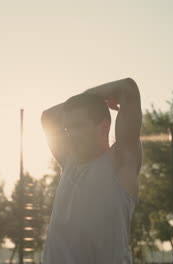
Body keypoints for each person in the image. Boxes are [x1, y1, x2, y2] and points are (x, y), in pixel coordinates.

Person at [41, 78, 143, 263]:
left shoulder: (121, 162)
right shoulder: (69, 161)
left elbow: (128, 88)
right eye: (68, 128)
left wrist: (93, 97)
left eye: (78, 126)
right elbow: (48, 117)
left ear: (103, 127)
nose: (71, 134)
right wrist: (89, 98)